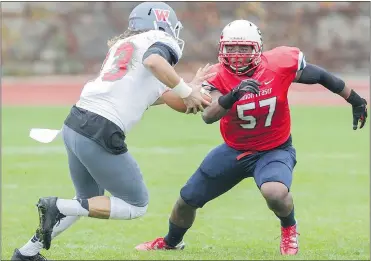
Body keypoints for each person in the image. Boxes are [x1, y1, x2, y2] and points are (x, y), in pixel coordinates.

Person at [135, 19, 368, 255]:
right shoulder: (216, 75)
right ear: (222, 48)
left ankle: (289, 229)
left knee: (274, 192)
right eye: (231, 48)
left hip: (274, 149)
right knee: (187, 199)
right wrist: (233, 94)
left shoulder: (279, 64)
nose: (236, 54)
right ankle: (171, 242)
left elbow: (321, 76)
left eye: (244, 48)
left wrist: (355, 99)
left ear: (257, 48)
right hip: (234, 150)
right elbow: (208, 115)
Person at [11, 2, 214, 261]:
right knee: (136, 205)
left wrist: (189, 89)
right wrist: (188, 90)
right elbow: (154, 61)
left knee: (86, 201)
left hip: (76, 122)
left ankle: (27, 252)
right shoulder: (159, 41)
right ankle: (57, 206)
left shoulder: (125, 47)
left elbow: (155, 97)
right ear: (163, 24)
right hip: (100, 128)